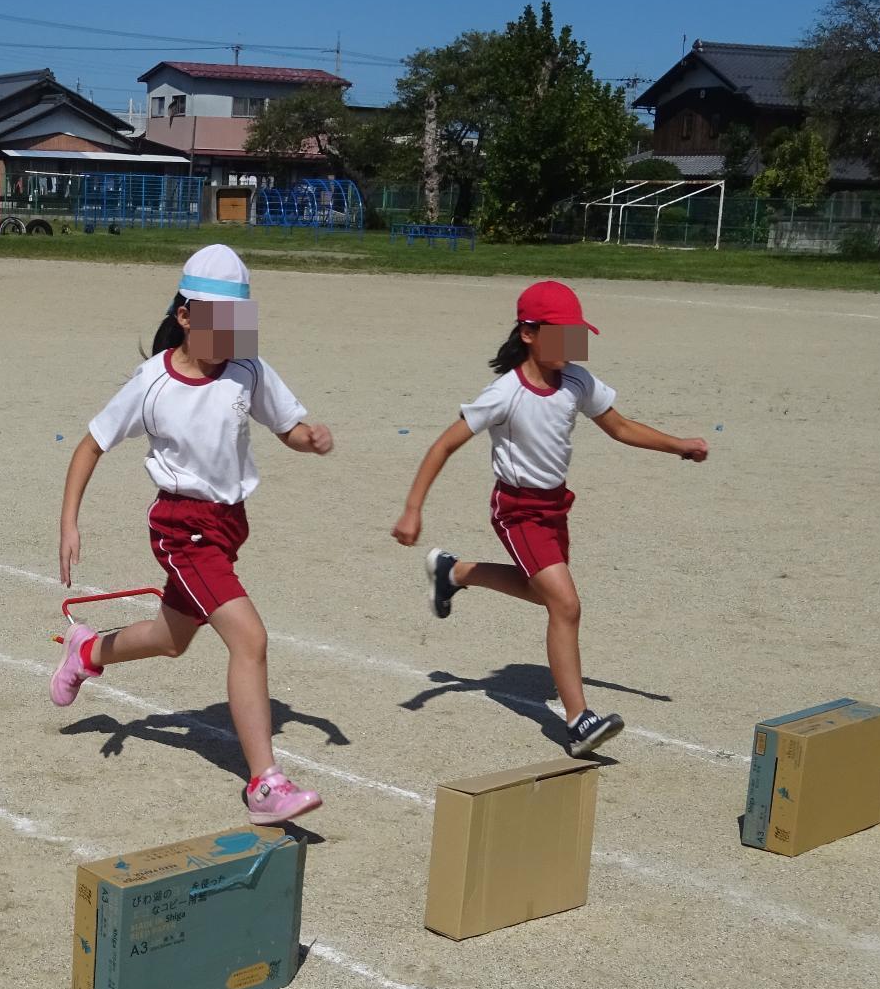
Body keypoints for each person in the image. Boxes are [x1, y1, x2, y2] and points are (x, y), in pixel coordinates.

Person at [53, 245, 333, 826]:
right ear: (185, 315)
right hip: (183, 528)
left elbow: (287, 427)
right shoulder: (152, 382)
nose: (230, 335)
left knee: (172, 637)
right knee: (249, 639)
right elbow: (92, 443)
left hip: (229, 526)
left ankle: (86, 650)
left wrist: (310, 439)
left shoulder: (248, 368)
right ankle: (265, 784)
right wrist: (69, 520)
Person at [391, 280, 708, 758]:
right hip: (517, 510)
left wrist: (678, 444)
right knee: (565, 605)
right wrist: (413, 507)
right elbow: (445, 444)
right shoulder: (504, 393)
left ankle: (453, 572)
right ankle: (578, 721)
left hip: (555, 506)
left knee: (545, 596)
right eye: (561, 334)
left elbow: (620, 427)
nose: (572, 346)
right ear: (529, 334)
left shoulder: (577, 382)